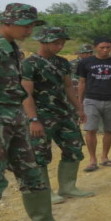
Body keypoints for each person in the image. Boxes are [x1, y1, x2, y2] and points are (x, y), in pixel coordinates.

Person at [0, 3, 77, 221]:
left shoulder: (12, 48)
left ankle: (43, 220)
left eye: (33, 25)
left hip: (15, 121)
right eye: (26, 25)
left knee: (31, 169)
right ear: (8, 22)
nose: (30, 30)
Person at [21, 27, 94, 205]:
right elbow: (26, 94)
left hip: (64, 114)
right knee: (40, 155)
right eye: (56, 43)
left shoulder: (62, 63)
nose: (60, 46)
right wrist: (33, 119)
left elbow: (68, 87)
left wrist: (79, 108)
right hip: (41, 116)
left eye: (62, 43)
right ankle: (46, 193)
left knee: (74, 149)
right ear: (43, 42)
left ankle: (68, 187)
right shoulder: (29, 64)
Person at [77, 37, 111, 172]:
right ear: (95, 47)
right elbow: (82, 82)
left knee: (109, 129)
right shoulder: (85, 63)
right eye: (102, 47)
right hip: (91, 100)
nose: (105, 50)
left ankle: (105, 157)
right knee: (90, 129)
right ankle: (92, 160)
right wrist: (79, 102)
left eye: (108, 47)